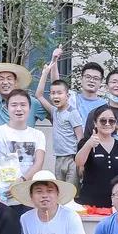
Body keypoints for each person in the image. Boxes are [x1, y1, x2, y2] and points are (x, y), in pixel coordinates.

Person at [0, 90, 47, 196]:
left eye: (23, 105)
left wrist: (21, 180)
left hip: (27, 193)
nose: (18, 109)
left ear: (29, 108)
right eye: (14, 105)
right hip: (2, 193)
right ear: (7, 108)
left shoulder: (38, 135)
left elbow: (38, 164)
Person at [34, 54, 83, 188]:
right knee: (60, 191)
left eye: (59, 93)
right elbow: (38, 95)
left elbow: (80, 138)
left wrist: (80, 162)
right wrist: (45, 73)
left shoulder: (72, 112)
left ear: (67, 95)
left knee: (71, 191)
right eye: (53, 93)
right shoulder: (54, 111)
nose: (56, 96)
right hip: (59, 158)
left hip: (72, 158)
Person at [75, 106, 118, 208]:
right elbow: (79, 163)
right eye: (103, 121)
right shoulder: (86, 142)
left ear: (116, 124)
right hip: (90, 201)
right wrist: (89, 145)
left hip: (114, 202)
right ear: (95, 123)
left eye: (111, 121)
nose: (107, 124)